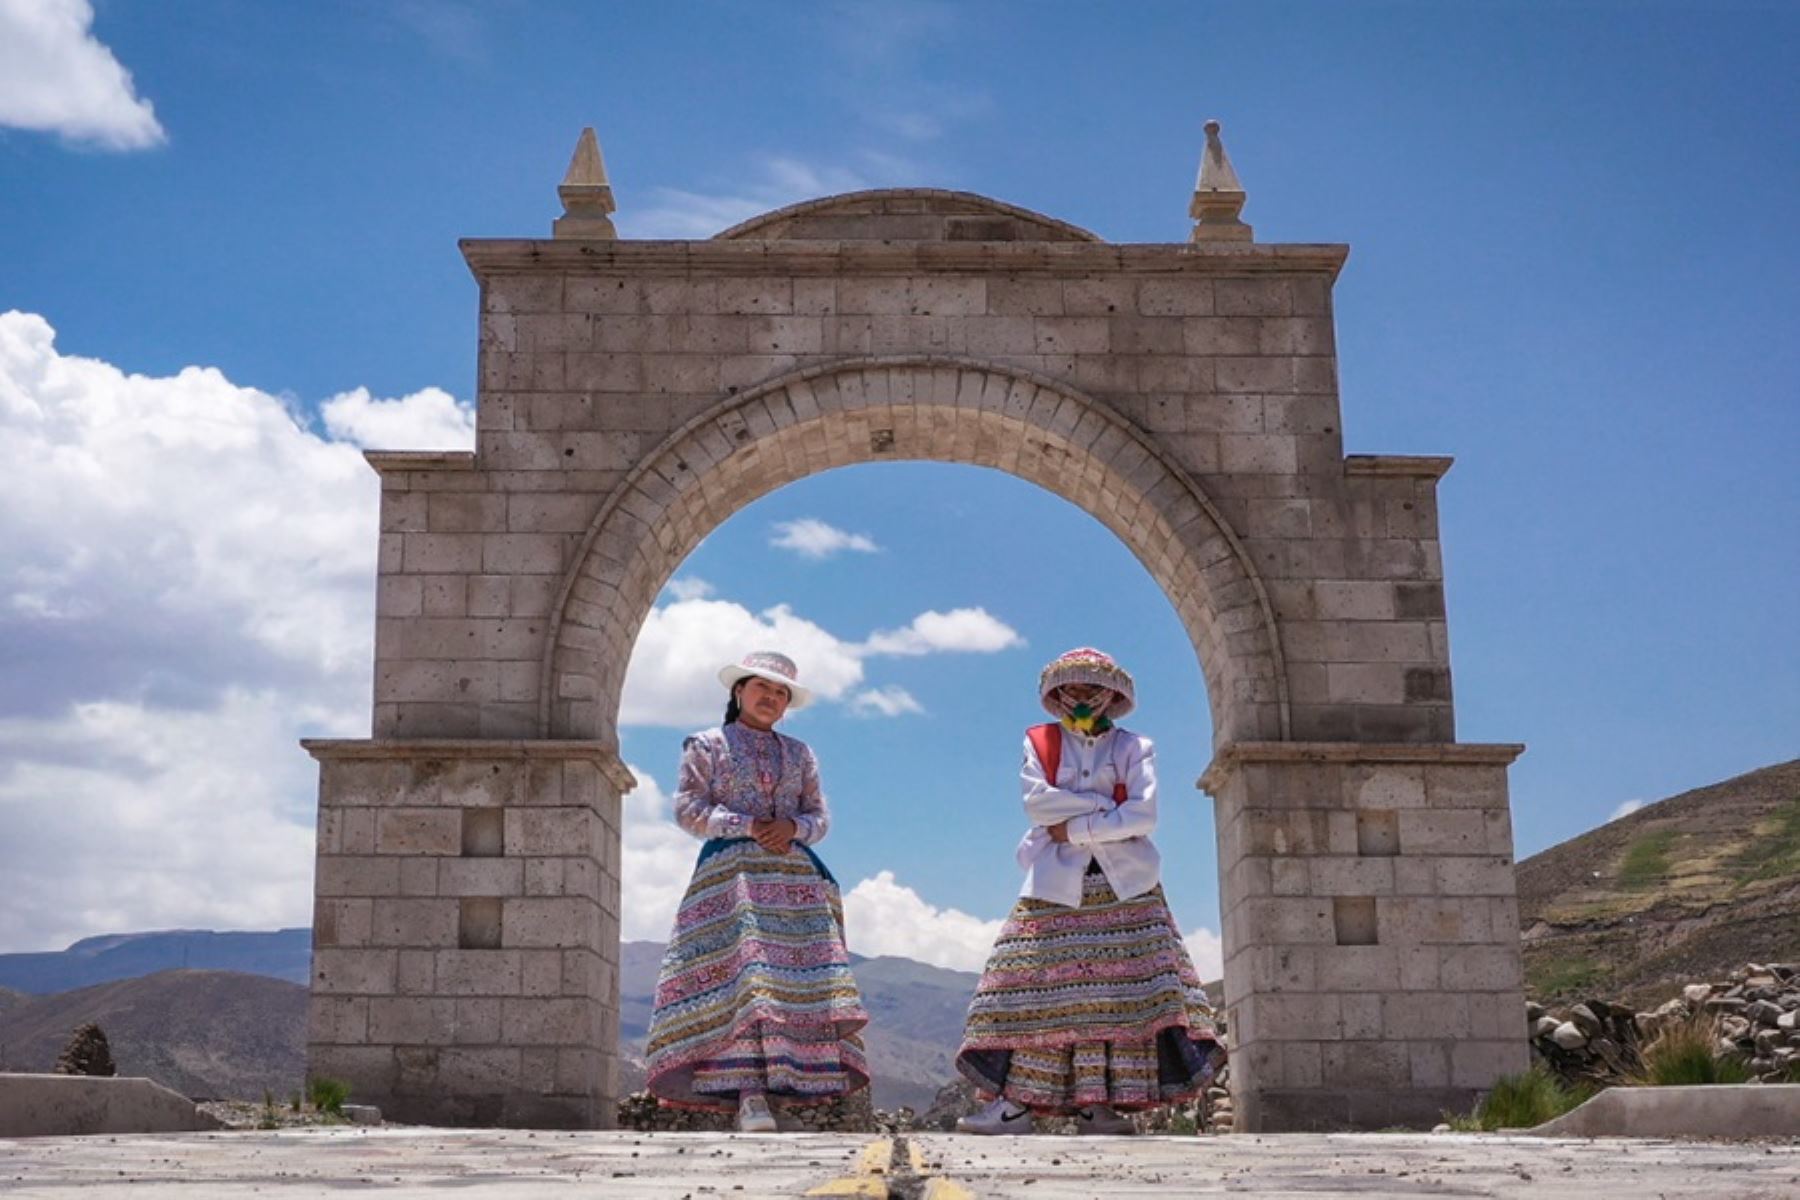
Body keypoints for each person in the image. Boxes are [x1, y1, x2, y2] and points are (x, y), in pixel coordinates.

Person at [955, 647, 1225, 1135]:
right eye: (1070, 690)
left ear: (1110, 696)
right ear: (1056, 695)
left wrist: (1075, 827)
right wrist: (1105, 805)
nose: (1080, 698)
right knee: (1021, 986)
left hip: (1127, 883)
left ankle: (1097, 1105)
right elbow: (1038, 805)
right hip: (1053, 882)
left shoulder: (1133, 747)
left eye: (1090, 690)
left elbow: (1145, 815)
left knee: (1120, 996)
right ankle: (1016, 1104)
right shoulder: (1039, 742)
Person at [644, 651, 871, 1133]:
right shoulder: (705, 745)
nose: (771, 698)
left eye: (780, 692)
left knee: (794, 984)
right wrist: (749, 825)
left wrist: (791, 827)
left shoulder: (801, 754)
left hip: (794, 879)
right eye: (762, 688)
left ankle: (790, 1084)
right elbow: (688, 809)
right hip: (732, 876)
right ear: (738, 692)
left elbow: (820, 816)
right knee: (745, 978)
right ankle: (747, 1093)